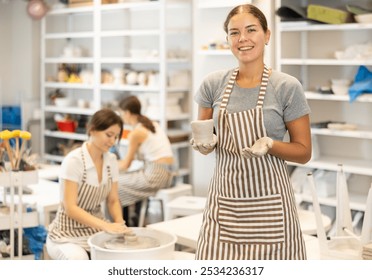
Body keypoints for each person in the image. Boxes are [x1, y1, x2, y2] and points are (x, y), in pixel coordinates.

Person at [191, 4, 312, 260]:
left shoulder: (287, 87)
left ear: (267, 35)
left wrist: (271, 144)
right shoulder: (212, 84)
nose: (242, 38)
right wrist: (204, 144)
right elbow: (203, 137)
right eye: (234, 33)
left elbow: (303, 152)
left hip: (271, 208)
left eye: (251, 30)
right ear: (228, 40)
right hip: (224, 206)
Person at [46, 108, 131, 260]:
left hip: (95, 231)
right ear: (92, 130)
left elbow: (113, 200)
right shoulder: (74, 161)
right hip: (66, 233)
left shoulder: (111, 161)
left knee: (124, 257)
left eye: (116, 137)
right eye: (108, 135)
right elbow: (70, 208)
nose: (112, 141)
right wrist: (106, 226)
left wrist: (120, 226)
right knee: (79, 260)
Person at [117, 95, 174, 226]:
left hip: (156, 175)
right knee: (126, 178)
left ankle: (124, 223)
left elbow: (126, 164)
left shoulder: (136, 133)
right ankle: (135, 218)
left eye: (121, 113)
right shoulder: (150, 123)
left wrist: (106, 168)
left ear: (127, 113)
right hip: (167, 172)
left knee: (116, 183)